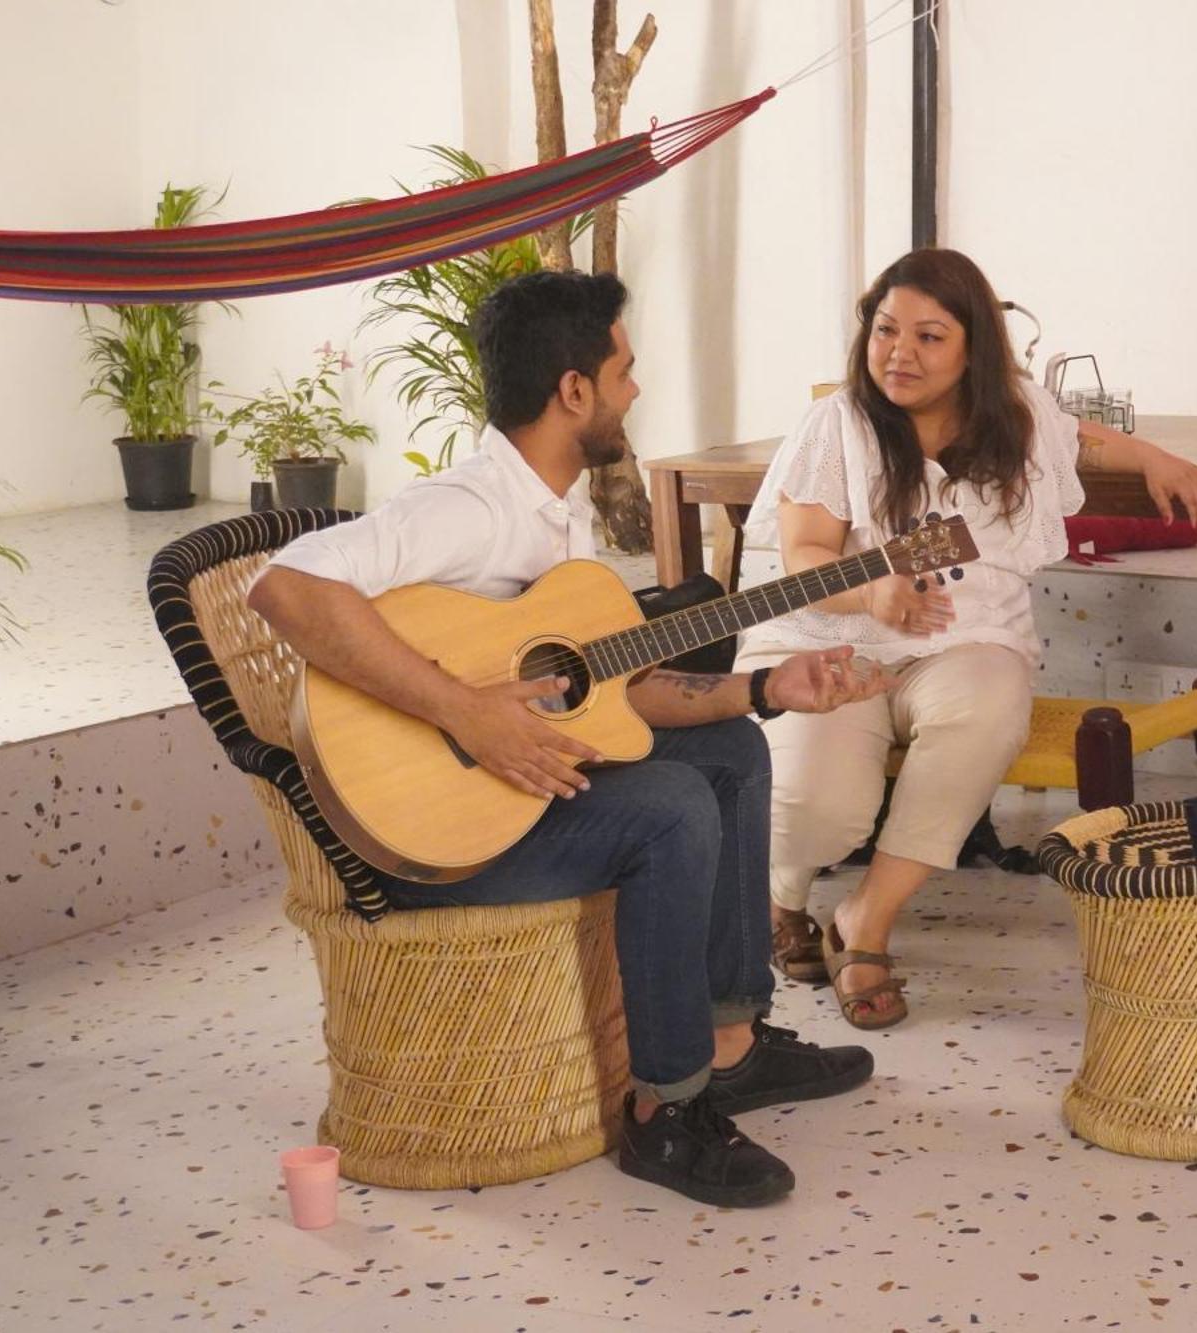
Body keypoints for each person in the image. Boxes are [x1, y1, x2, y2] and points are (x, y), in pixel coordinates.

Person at [248, 270, 887, 1209]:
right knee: (669, 808)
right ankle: (663, 1114)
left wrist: (761, 686)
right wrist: (465, 712)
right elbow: (286, 585)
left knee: (734, 753)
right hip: (428, 835)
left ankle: (729, 1045)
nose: (635, 389)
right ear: (574, 390)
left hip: (505, 799)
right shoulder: (468, 507)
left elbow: (608, 697)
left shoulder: (558, 513)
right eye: (624, 371)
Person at [732, 247, 1197, 1029]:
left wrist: (1153, 455)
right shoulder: (838, 423)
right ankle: (784, 893)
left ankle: (865, 922)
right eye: (886, 330)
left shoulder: (1015, 415)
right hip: (832, 637)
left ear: (972, 350)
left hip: (961, 641)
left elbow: (1080, 437)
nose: (900, 351)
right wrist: (874, 588)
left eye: (930, 336)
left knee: (987, 703)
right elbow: (805, 555)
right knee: (817, 812)